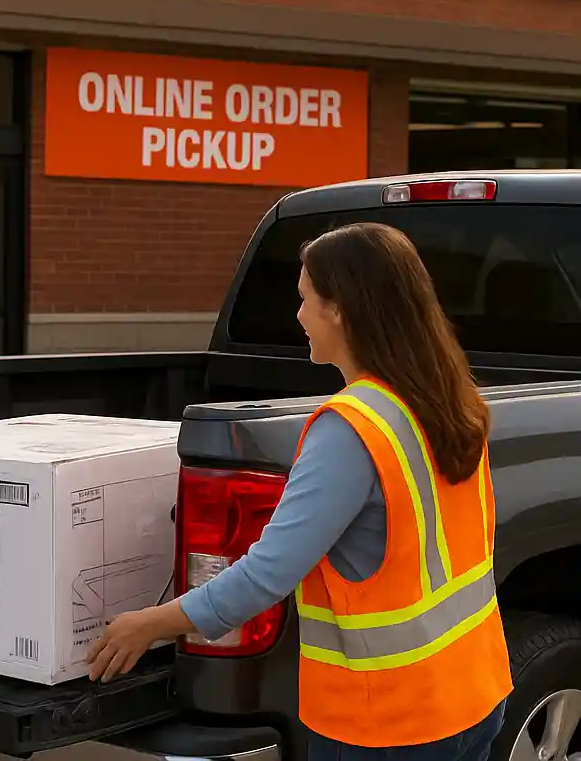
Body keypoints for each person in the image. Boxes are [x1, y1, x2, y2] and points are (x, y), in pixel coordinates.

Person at [86, 221, 513, 761]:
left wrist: (147, 625)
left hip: (388, 725)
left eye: (306, 299)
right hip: (474, 694)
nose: (299, 316)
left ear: (341, 309)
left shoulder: (352, 428)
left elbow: (267, 574)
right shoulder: (449, 400)